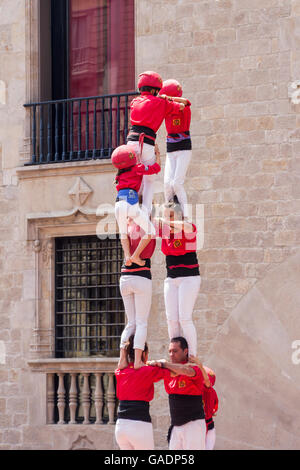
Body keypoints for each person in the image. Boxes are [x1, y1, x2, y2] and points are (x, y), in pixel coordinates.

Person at [115, 335, 201, 450]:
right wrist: (161, 363)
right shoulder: (147, 371)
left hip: (120, 426)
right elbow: (174, 373)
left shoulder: (120, 372)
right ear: (144, 353)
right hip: (139, 424)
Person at [127, 71, 185, 214]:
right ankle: (146, 212)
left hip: (131, 142)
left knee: (133, 175)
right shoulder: (161, 103)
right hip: (147, 143)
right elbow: (182, 106)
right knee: (149, 180)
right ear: (155, 89)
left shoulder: (134, 102)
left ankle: (132, 208)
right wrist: (167, 98)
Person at [154, 200, 201, 357]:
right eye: (167, 215)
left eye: (172, 215)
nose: (169, 219)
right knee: (171, 319)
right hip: (171, 279)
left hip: (189, 278)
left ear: (180, 215)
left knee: (184, 318)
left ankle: (192, 355)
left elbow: (187, 227)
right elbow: (150, 222)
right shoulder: (166, 232)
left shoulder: (188, 228)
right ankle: (175, 354)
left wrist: (166, 221)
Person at [148, 336, 211, 450]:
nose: (171, 354)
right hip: (176, 426)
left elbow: (186, 371)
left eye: (175, 351)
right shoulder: (167, 370)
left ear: (185, 351)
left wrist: (164, 364)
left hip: (193, 425)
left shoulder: (194, 368)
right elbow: (148, 375)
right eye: (170, 351)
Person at [112, 144, 160, 267]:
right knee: (150, 231)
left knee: (123, 233)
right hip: (130, 204)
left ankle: (127, 257)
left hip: (118, 204)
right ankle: (135, 256)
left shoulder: (119, 174)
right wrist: (158, 155)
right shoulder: (136, 168)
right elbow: (156, 168)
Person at [119, 219, 156, 369]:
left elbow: (123, 238)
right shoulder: (149, 224)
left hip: (125, 276)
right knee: (141, 322)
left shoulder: (126, 223)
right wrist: (136, 256)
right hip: (141, 276)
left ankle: (122, 358)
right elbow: (150, 234)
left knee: (131, 322)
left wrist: (129, 256)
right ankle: (138, 360)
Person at [159, 79, 192, 218]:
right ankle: (169, 213)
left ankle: (186, 215)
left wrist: (169, 98)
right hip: (171, 149)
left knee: (177, 183)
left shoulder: (185, 108)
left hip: (183, 148)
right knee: (167, 184)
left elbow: (185, 102)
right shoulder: (167, 110)